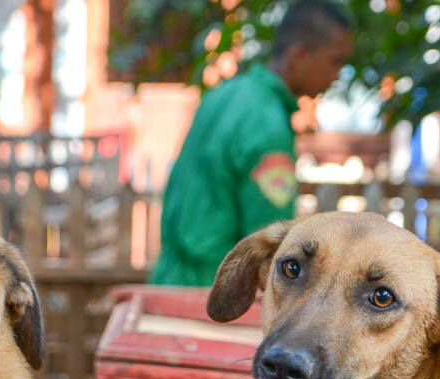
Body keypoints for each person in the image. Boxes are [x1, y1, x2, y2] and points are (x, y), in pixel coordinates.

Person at [149, 0, 353, 287]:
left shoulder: (224, 95)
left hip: (166, 280)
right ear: (300, 54)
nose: (336, 77)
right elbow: (270, 244)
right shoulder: (268, 127)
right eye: (336, 61)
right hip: (214, 295)